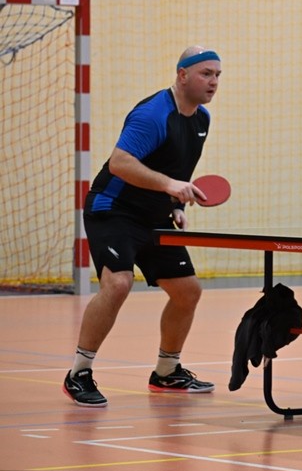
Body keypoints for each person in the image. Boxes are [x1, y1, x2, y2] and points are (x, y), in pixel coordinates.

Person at [62, 46, 223, 407]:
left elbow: (177, 167)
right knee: (118, 283)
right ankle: (79, 373)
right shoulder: (152, 114)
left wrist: (176, 203)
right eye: (205, 74)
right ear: (182, 75)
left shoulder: (201, 119)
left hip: (154, 216)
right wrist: (169, 186)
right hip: (114, 209)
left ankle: (167, 371)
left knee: (188, 291)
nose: (213, 82)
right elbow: (120, 163)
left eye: (217, 75)